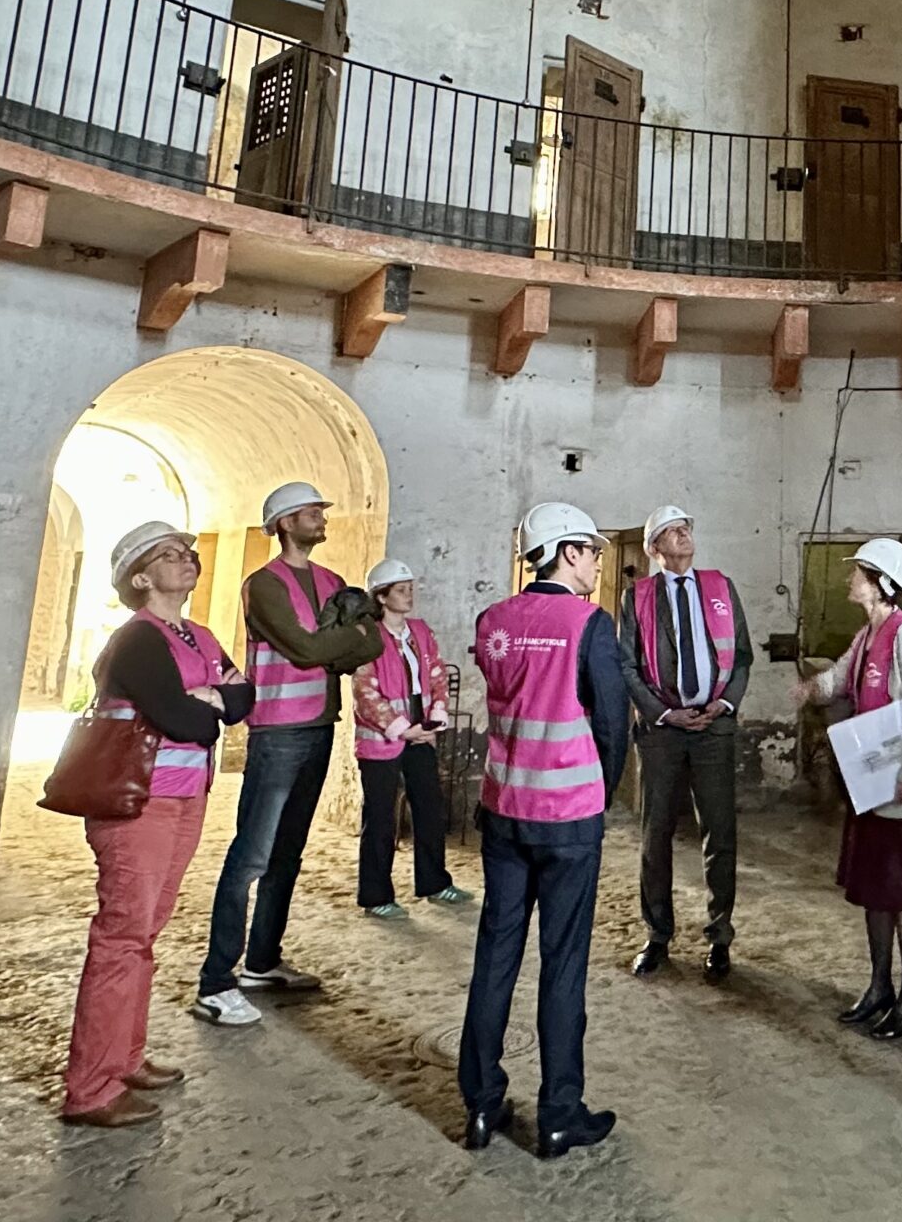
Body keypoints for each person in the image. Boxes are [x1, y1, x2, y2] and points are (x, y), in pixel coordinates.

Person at [60, 522, 254, 1128]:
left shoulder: (198, 635)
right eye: (168, 556)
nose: (186, 561)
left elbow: (244, 700)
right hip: (136, 804)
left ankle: (126, 1058)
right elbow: (183, 720)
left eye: (187, 553)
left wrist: (215, 706)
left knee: (145, 933)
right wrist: (211, 706)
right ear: (139, 578)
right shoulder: (138, 641)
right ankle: (91, 1089)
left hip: (184, 798)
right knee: (121, 937)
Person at [458, 502, 632, 1158]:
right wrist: (600, 791)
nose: (595, 562)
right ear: (565, 552)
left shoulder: (493, 621)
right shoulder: (589, 624)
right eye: (589, 550)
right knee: (562, 965)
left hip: (504, 813)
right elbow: (613, 727)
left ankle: (480, 1105)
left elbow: (509, 697)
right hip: (568, 820)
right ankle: (559, 1114)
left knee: (495, 958)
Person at [192, 481, 383, 1027]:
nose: (321, 517)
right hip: (277, 731)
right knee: (251, 856)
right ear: (283, 522)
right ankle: (215, 981)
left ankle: (263, 961)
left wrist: (332, 647)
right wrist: (334, 645)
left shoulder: (332, 581)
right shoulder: (265, 585)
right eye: (310, 512)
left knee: (288, 855)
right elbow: (305, 648)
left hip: (321, 725)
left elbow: (371, 644)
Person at [800, 538, 902, 1041]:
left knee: (900, 894)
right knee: (873, 892)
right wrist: (811, 688)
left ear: (882, 583)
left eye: (858, 572)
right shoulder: (868, 634)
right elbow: (841, 678)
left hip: (898, 786)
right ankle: (880, 986)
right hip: (871, 783)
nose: (850, 580)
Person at [617, 504, 753, 979]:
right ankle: (657, 934)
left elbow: (741, 658)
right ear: (654, 549)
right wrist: (664, 712)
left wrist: (724, 705)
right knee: (656, 834)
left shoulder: (720, 589)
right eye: (672, 531)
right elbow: (627, 666)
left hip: (714, 728)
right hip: (662, 732)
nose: (683, 536)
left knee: (720, 833)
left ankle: (719, 937)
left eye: (686, 528)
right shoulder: (637, 597)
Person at [352, 556, 468, 915]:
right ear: (382, 597)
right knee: (381, 818)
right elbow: (365, 691)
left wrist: (433, 719)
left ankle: (435, 882)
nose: (409, 595)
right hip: (382, 739)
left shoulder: (419, 631)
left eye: (410, 589)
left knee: (430, 809)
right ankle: (377, 897)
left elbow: (435, 674)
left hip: (421, 731)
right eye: (401, 590)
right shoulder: (366, 636)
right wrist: (402, 729)